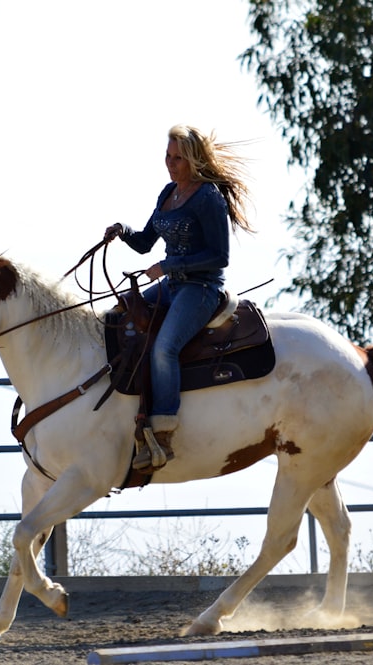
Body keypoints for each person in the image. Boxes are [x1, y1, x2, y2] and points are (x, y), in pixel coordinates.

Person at [103, 124, 253, 472]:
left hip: (201, 289)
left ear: (194, 160)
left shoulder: (209, 198)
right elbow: (144, 242)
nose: (171, 164)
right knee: (116, 315)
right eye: (168, 157)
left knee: (164, 348)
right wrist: (123, 232)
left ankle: (164, 433)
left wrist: (171, 265)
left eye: (179, 159)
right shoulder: (168, 193)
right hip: (172, 285)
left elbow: (220, 257)